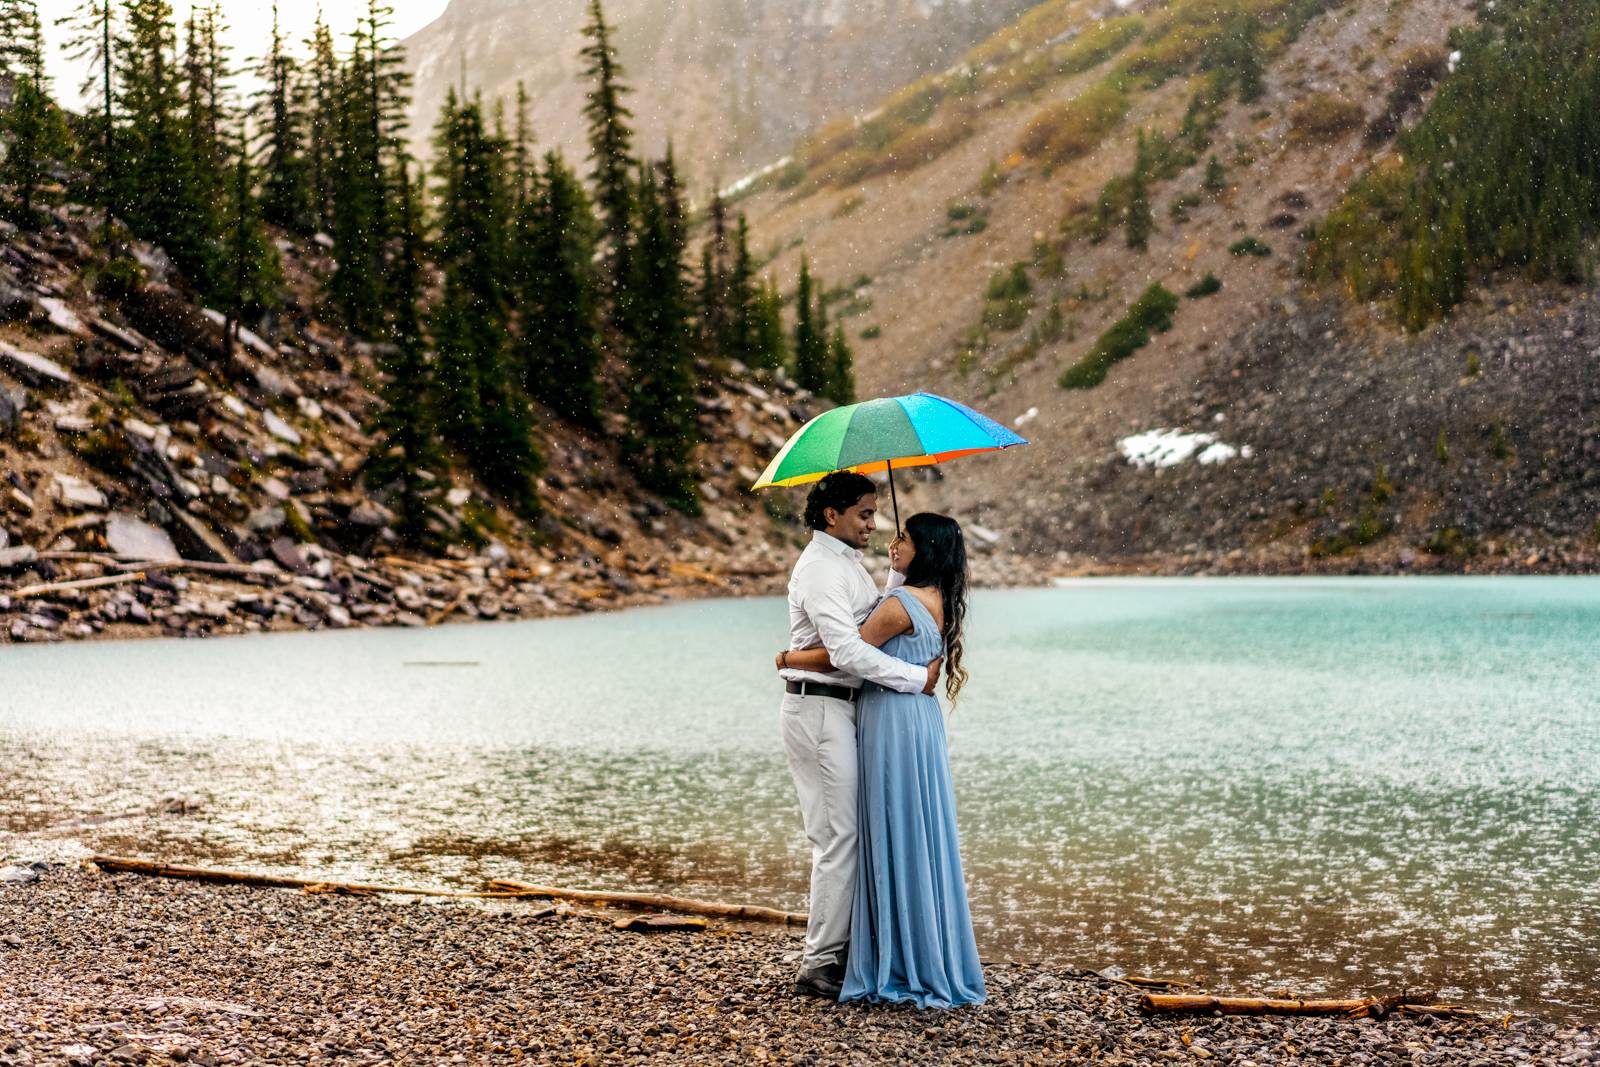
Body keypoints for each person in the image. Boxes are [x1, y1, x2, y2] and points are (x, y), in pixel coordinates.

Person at [777, 511, 985, 1009]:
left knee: (888, 830)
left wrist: (787, 658)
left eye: (903, 537)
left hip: (890, 719)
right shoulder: (936, 596)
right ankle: (915, 945)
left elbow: (842, 653)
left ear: (924, 550)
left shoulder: (899, 603)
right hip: (918, 721)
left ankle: (879, 952)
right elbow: (888, 627)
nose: (888, 536)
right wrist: (895, 576)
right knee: (915, 831)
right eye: (868, 515)